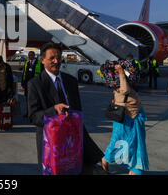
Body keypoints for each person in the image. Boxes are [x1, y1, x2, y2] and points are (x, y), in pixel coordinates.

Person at [27, 42, 105, 174]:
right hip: (52, 146)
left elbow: (79, 119)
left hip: (73, 145)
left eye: (58, 57)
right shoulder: (35, 84)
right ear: (42, 60)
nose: (56, 61)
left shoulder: (71, 81)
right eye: (52, 58)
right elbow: (33, 116)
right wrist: (53, 110)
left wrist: (97, 155)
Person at [101, 63, 150, 175]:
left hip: (135, 116)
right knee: (119, 141)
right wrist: (121, 72)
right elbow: (125, 90)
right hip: (126, 117)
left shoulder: (123, 81)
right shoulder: (119, 83)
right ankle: (106, 159)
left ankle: (135, 168)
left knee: (136, 143)